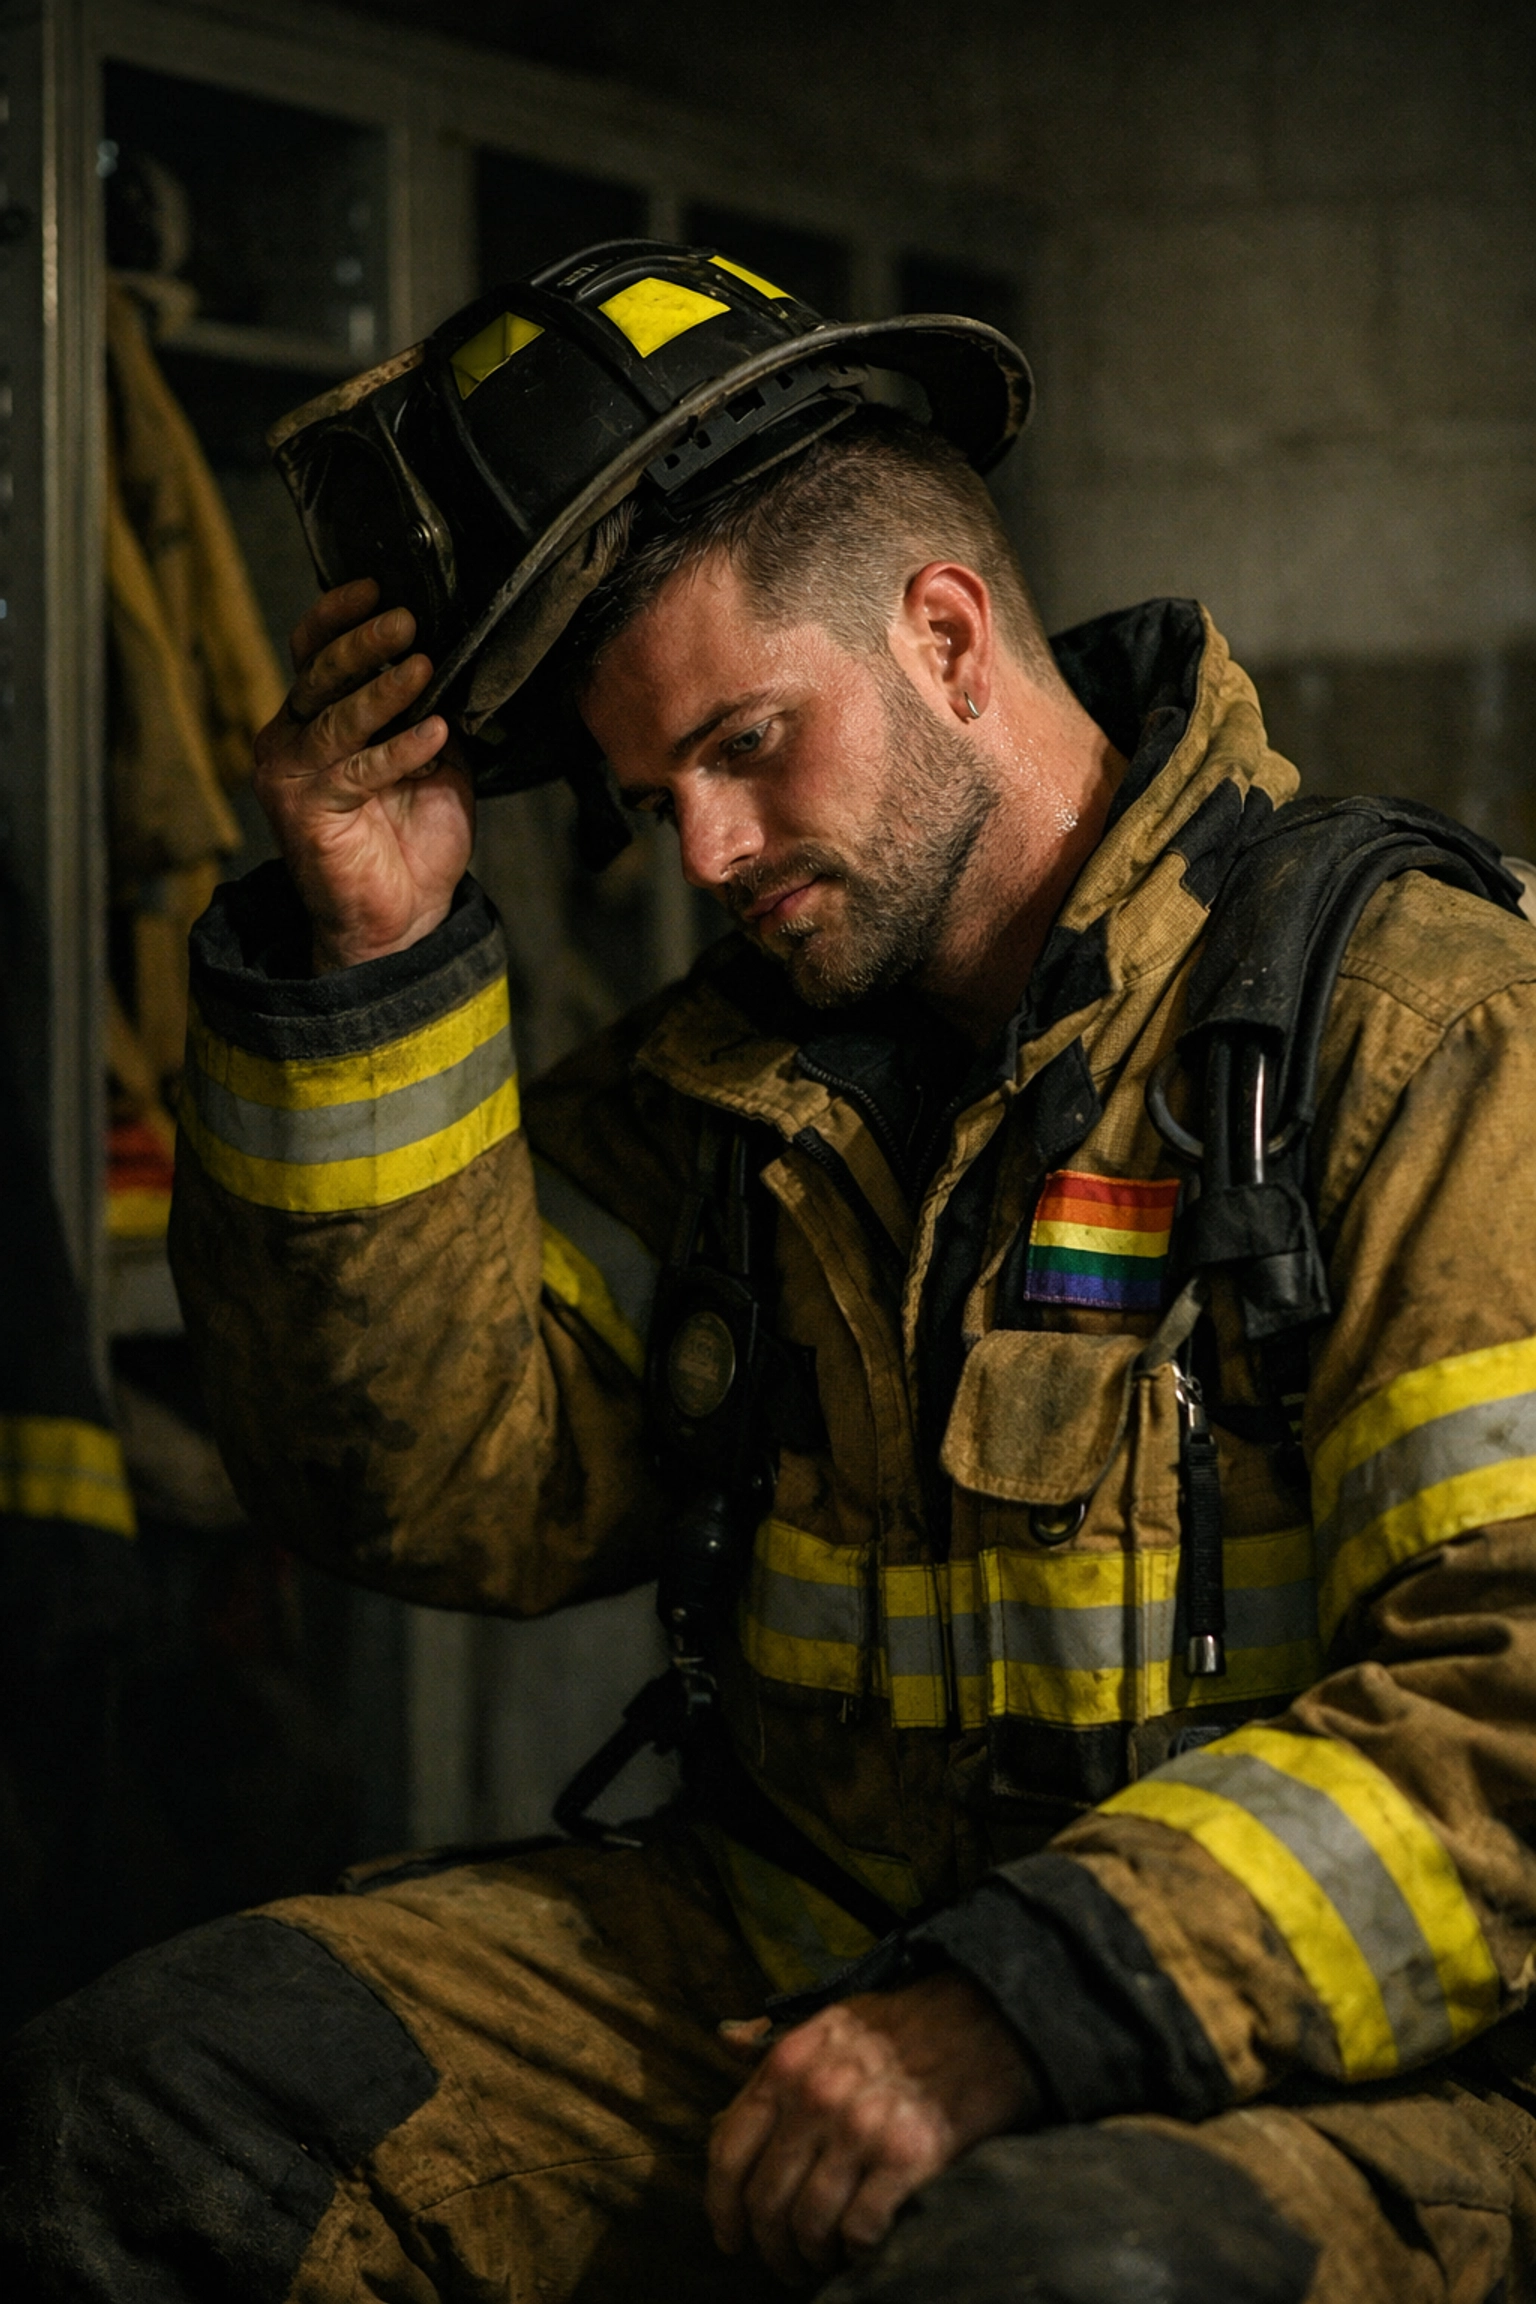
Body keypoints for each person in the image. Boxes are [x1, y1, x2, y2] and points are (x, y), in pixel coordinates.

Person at [5, 246, 1536, 2304]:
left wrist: (1024, 2003)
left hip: (1325, 2074)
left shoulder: (1417, 1031)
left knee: (1054, 2273)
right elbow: (437, 1488)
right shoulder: (731, 1088)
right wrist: (369, 955)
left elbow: (1509, 1711)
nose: (706, 855)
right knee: (144, 2117)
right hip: (803, 1971)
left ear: (945, 634)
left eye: (746, 746)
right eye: (660, 797)